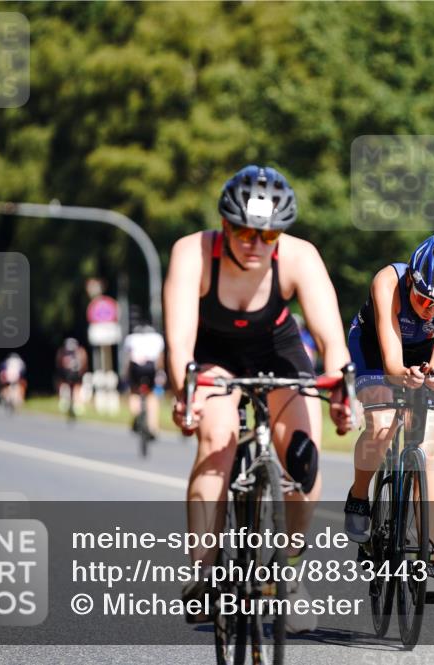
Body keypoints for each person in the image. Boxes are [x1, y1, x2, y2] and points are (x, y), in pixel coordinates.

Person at [163, 164, 353, 631]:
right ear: (224, 225)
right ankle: (203, 572)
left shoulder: (299, 257)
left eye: (268, 236)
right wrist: (185, 392)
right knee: (218, 441)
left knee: (303, 459)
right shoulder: (192, 253)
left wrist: (340, 389)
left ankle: (288, 573)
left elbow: (331, 338)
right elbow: (180, 341)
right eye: (244, 232)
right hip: (212, 354)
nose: (255, 244)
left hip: (276, 350)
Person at [343, 232, 434, 604]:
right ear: (411, 281)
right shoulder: (387, 281)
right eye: (423, 298)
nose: (431, 308)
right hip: (374, 347)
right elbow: (390, 360)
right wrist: (402, 376)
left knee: (429, 446)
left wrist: (432, 376)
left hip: (427, 351)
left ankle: (426, 556)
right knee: (382, 424)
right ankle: (358, 497)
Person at [123, 323, 165, 440]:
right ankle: (153, 427)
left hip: (136, 367)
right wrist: (160, 373)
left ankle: (137, 415)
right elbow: (160, 359)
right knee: (152, 396)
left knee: (134, 392)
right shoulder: (157, 338)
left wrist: (126, 375)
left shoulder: (131, 338)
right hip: (151, 367)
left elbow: (128, 358)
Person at [55, 338, 88, 415]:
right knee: (75, 388)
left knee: (71, 387)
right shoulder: (80, 351)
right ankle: (75, 405)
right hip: (74, 374)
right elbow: (84, 362)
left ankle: (69, 403)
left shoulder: (63, 352)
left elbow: (59, 363)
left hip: (68, 374)